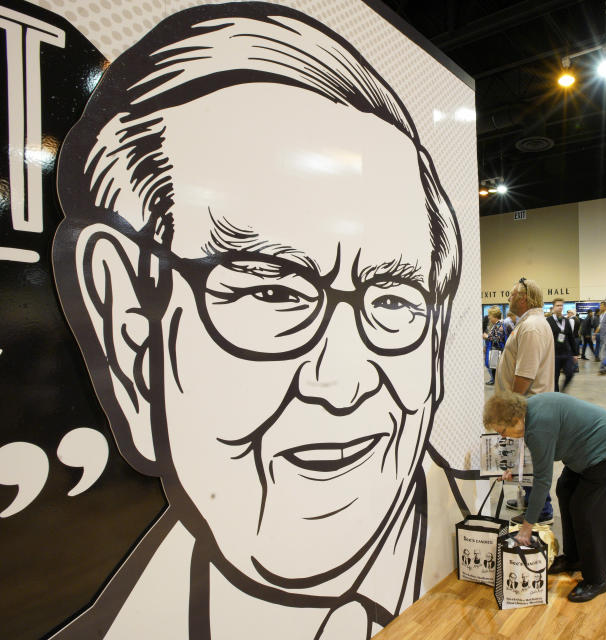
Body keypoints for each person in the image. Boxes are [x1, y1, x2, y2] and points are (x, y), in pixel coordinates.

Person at [50, 4, 464, 636]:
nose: (345, 379)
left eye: (392, 300)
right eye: (273, 292)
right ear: (128, 322)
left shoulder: (469, 562)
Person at [483, 392, 606, 603]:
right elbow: (531, 453)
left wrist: (527, 527)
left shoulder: (538, 427)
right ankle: (574, 558)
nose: (503, 436)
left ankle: (597, 579)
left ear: (514, 420)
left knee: (586, 510)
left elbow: (542, 481)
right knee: (566, 490)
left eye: (503, 431)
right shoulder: (527, 414)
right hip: (583, 450)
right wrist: (513, 468)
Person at [495, 278, 555, 524]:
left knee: (531, 457)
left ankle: (541, 510)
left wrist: (512, 406)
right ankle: (530, 501)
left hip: (528, 404)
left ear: (522, 298)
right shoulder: (530, 324)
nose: (508, 299)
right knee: (526, 458)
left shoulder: (531, 327)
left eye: (510, 295)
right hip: (529, 404)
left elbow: (525, 374)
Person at [548, 298, 578, 392]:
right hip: (554, 354)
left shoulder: (566, 321)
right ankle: (557, 396)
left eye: (561, 305)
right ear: (553, 308)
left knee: (570, 373)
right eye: (557, 305)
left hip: (566, 353)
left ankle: (563, 390)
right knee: (555, 378)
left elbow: (571, 337)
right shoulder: (548, 321)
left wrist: (575, 353)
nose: (560, 307)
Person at [485, 307, 506, 386]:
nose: (489, 317)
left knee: (496, 371)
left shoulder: (498, 325)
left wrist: (487, 337)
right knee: (494, 370)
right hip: (495, 351)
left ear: (494, 315)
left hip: (496, 351)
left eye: (490, 315)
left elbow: (498, 339)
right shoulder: (496, 325)